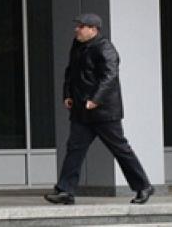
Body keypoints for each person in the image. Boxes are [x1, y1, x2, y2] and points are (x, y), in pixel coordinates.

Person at [44, 13, 155, 206]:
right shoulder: (77, 45)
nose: (76, 29)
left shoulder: (105, 48)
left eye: (81, 26)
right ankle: (65, 191)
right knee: (74, 150)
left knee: (120, 149)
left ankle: (143, 186)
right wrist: (67, 94)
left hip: (104, 112)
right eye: (77, 26)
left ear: (93, 29)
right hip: (81, 111)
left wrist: (96, 100)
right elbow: (71, 72)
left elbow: (110, 76)